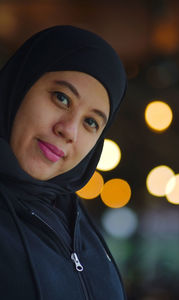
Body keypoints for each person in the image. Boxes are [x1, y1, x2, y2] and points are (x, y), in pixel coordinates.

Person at [0, 25, 127, 299]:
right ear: (20, 86)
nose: (69, 130)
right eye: (61, 98)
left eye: (91, 122)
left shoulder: (78, 226)